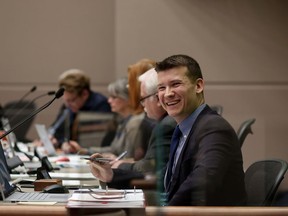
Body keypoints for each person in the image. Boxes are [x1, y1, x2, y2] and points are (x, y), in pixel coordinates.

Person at [88, 54, 247, 206]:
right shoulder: (184, 128)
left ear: (198, 86)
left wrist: (166, 210)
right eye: (161, 88)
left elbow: (201, 182)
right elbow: (166, 177)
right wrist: (112, 175)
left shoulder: (213, 128)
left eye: (176, 84)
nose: (167, 94)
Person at [89, 68, 176, 191]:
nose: (142, 104)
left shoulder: (166, 124)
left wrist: (120, 167)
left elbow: (151, 167)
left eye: (143, 98)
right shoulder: (162, 122)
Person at [66, 77, 149, 160]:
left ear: (127, 99)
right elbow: (113, 149)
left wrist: (115, 159)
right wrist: (85, 151)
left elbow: (131, 159)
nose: (109, 100)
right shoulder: (123, 121)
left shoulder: (135, 123)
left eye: (114, 97)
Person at [48, 69, 112, 151]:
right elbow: (58, 132)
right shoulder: (70, 107)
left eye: (72, 100)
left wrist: (71, 146)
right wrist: (59, 142)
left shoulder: (101, 106)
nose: (68, 105)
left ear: (85, 94)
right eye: (66, 101)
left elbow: (94, 142)